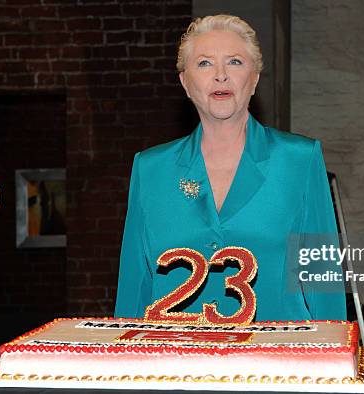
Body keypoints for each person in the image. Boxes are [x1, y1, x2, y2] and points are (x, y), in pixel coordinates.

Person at [114, 15, 346, 321]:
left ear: (254, 79)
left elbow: (323, 281)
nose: (220, 75)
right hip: (173, 362)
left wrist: (333, 359)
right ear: (185, 83)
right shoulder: (150, 169)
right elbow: (135, 286)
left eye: (235, 62)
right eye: (204, 64)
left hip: (277, 362)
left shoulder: (299, 160)